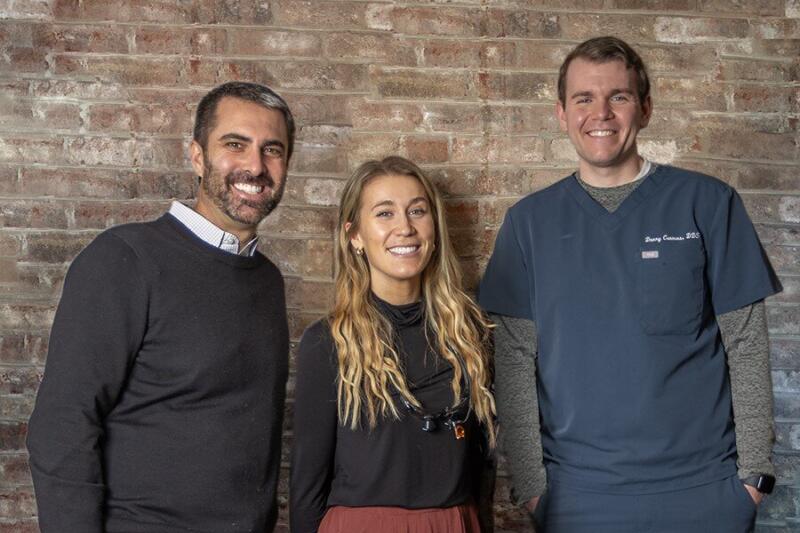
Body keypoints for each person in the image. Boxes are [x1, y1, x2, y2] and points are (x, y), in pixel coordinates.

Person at [478, 36, 782, 532]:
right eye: (584, 98)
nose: (601, 113)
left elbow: (745, 343)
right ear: (561, 113)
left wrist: (752, 478)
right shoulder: (528, 224)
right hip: (579, 499)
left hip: (705, 492)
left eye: (617, 96)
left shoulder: (708, 204)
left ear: (645, 108)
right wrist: (533, 487)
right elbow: (512, 363)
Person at [26, 81, 295, 533]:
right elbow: (62, 426)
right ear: (197, 156)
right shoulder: (126, 259)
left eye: (272, 150)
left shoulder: (267, 280)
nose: (255, 165)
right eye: (235, 144)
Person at [289, 156, 496, 533]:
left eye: (417, 211)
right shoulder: (328, 342)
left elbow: (482, 473)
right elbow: (307, 487)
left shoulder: (469, 335)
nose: (405, 228)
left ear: (434, 228)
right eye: (385, 214)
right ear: (354, 235)